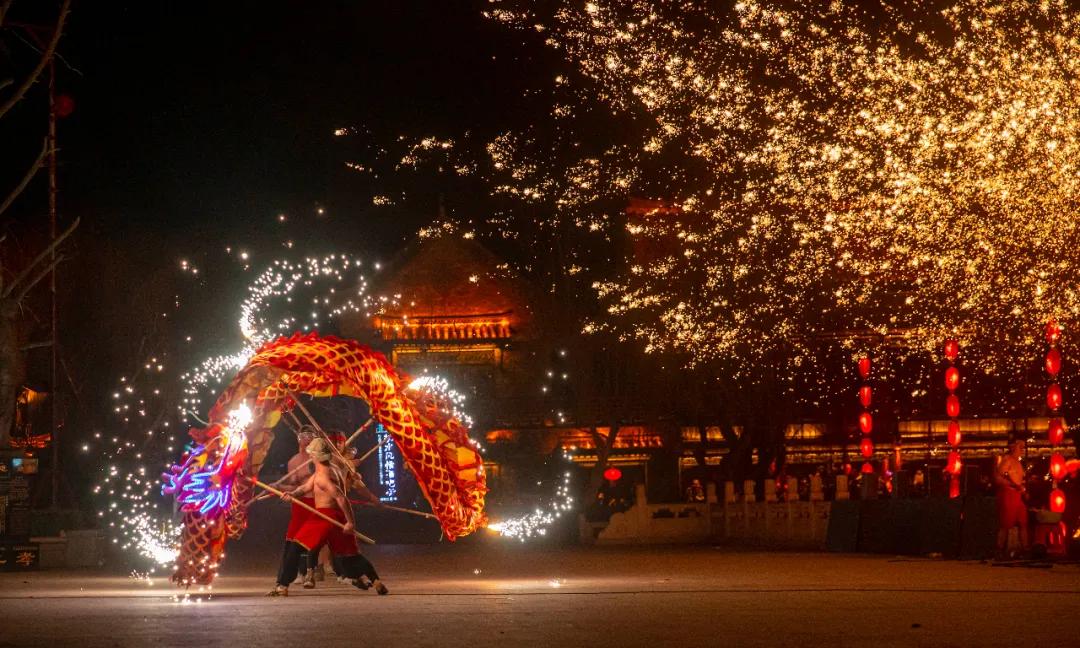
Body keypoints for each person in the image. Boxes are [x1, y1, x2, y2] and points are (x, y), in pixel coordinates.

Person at [268, 437, 388, 596]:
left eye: (311, 454)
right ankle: (375, 580)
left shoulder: (323, 477)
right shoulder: (332, 469)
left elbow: (340, 497)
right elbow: (305, 487)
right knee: (349, 555)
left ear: (315, 456)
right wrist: (292, 494)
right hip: (337, 517)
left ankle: (282, 586)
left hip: (325, 516)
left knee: (295, 548)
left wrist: (351, 522)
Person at [994, 438, 1029, 559]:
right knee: (1006, 523)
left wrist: (1023, 491)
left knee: (1023, 522)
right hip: (1009, 494)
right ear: (1014, 447)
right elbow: (998, 478)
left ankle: (1025, 549)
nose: (1022, 450)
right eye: (1020, 447)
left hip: (1017, 495)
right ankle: (999, 550)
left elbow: (1019, 481)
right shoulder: (1007, 460)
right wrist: (1011, 484)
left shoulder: (1018, 462)